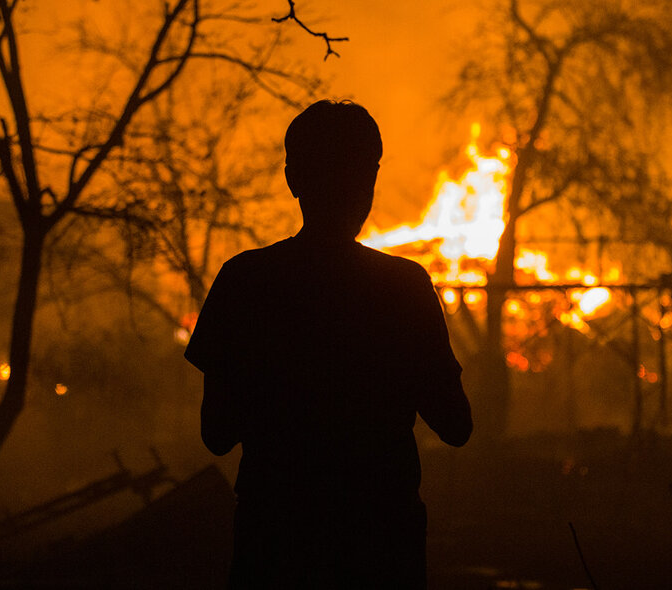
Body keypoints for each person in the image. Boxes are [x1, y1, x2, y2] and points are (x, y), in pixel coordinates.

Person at [184, 99, 472, 589]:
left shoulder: (245, 281)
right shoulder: (403, 288)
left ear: (293, 179)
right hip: (380, 544)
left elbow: (216, 432)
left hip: (276, 542)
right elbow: (456, 425)